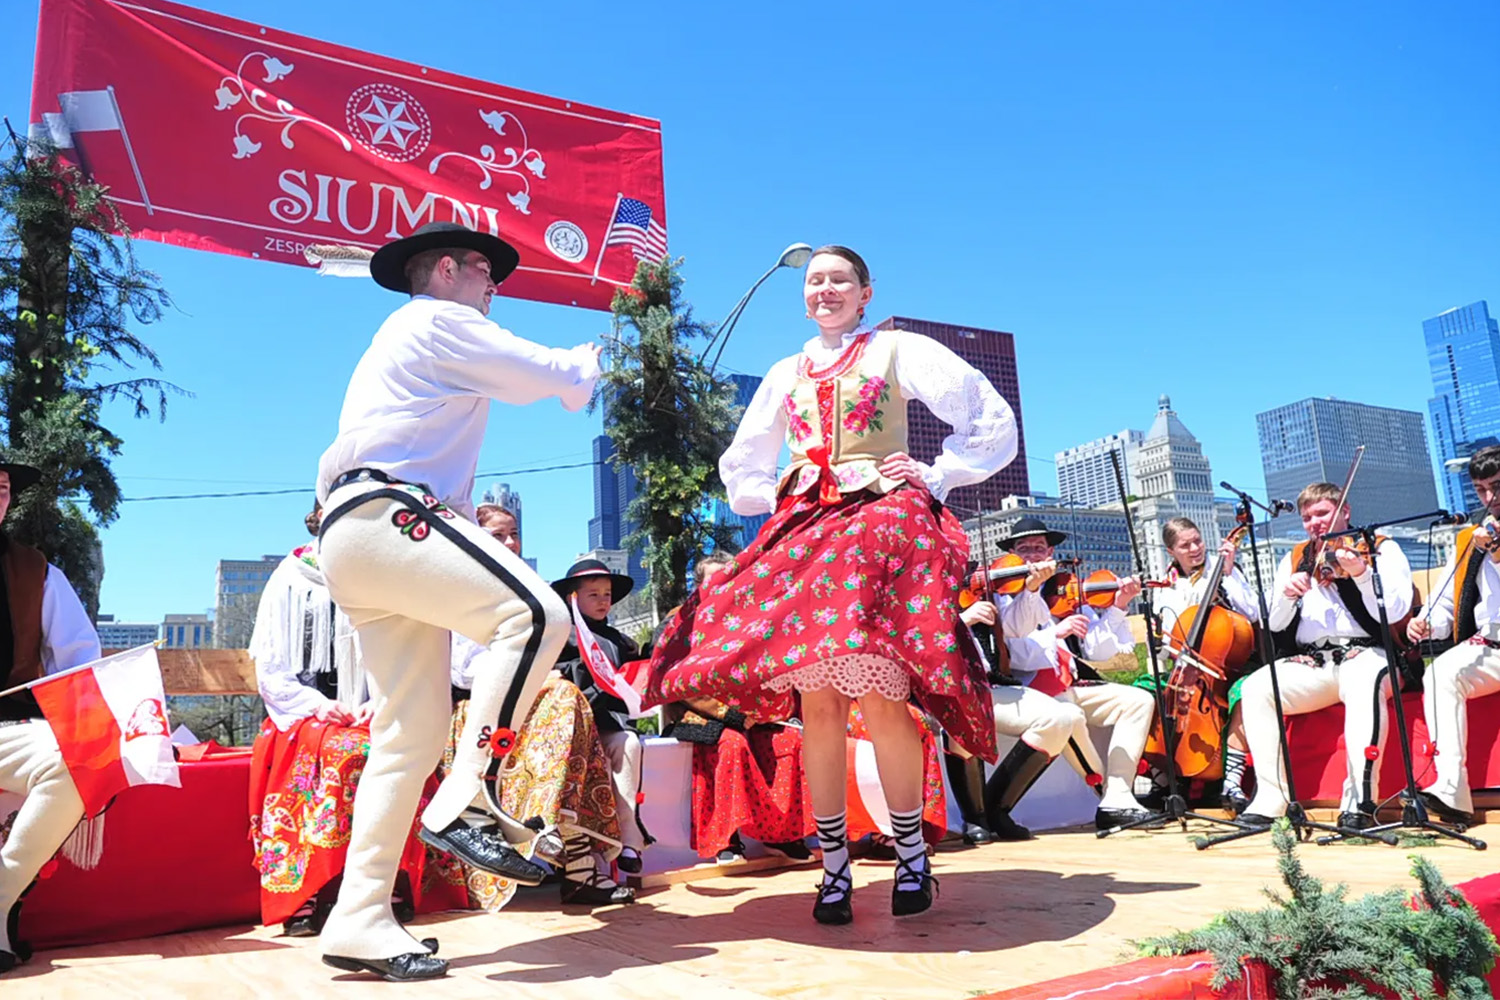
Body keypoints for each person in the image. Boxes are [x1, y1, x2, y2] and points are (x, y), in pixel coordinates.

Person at [646, 245, 1017, 924]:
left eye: (839, 279)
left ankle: (910, 855)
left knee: (880, 698)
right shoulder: (787, 371)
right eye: (815, 281)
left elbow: (986, 417)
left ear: (865, 292)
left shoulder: (897, 349)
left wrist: (937, 473)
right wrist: (774, 489)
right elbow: (744, 462)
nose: (825, 289)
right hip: (811, 527)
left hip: (876, 524)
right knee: (816, 701)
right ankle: (834, 866)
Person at [313, 221, 601, 981]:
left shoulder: (414, 338)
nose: (493, 287)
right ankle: (469, 796)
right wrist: (589, 362)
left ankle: (361, 917)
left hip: (358, 535)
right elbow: (553, 377)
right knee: (536, 613)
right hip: (387, 513)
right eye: (485, 272)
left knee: (411, 730)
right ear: (446, 269)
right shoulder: (437, 319)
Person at [247, 507, 467, 937]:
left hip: (373, 707)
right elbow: (271, 667)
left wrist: (382, 701)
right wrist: (315, 704)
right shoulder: (290, 577)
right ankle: (312, 888)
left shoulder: (386, 575)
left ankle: (385, 885)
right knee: (344, 752)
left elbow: (409, 654)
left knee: (395, 748)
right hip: (307, 710)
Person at [445, 506, 631, 908]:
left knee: (570, 703)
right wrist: (530, 676)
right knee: (565, 701)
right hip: (485, 709)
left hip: (536, 702)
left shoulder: (528, 588)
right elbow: (464, 670)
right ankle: (561, 843)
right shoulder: (461, 589)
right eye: (498, 536)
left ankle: (566, 844)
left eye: (514, 533)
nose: (510, 543)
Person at [1238, 482, 1412, 829]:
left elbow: (1394, 611)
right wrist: (1287, 595)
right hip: (1316, 661)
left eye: (1322, 513)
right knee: (1258, 687)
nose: (1314, 523)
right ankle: (1272, 796)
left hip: (1370, 653)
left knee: (1362, 680)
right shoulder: (1296, 557)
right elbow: (1275, 623)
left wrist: (1361, 574)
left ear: (1344, 511)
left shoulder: (1379, 548)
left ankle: (1360, 800)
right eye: (1307, 517)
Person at [0, 461, 101, 974]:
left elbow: (80, 657)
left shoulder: (35, 571)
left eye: (0, 490)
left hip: (8, 728)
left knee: (73, 760)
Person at [994, 518, 1157, 831]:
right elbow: (1015, 652)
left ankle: (1120, 793)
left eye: (1039, 548)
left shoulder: (1065, 589)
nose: (1032, 555)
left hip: (1068, 684)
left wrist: (1119, 605)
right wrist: (1056, 633)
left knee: (1139, 700)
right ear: (1012, 553)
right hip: (1031, 690)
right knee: (1067, 712)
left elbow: (1099, 651)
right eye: (1024, 549)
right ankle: (1109, 797)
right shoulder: (1004, 595)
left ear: (1051, 552)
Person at [664, 554, 813, 865]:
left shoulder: (749, 620)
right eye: (716, 580)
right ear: (699, 585)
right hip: (699, 716)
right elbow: (679, 682)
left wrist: (768, 709)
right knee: (732, 744)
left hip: (748, 716)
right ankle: (724, 839)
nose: (724, 586)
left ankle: (782, 834)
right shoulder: (680, 622)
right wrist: (730, 716)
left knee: (790, 742)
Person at [954, 554, 1093, 842]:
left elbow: (1018, 628)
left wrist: (1030, 587)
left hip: (993, 686)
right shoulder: (925, 587)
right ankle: (974, 816)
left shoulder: (989, 592)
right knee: (963, 711)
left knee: (1059, 718)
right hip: (952, 687)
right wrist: (962, 621)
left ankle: (997, 806)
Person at [1408, 444, 1500, 825]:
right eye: (1480, 490)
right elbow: (1447, 598)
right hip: (1492, 646)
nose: (1488, 498)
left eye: (1496, 486)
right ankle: (1451, 789)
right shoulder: (1471, 538)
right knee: (1439, 671)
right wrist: (1426, 619)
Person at [1144, 516, 1261, 813]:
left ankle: (1232, 780)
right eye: (1186, 545)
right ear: (1171, 550)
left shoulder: (1224, 571)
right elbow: (1167, 634)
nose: (1195, 548)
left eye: (1198, 540)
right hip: (1182, 669)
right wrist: (1172, 654)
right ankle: (1162, 779)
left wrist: (1229, 573)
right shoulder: (1164, 586)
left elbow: (1253, 612)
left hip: (1225, 667)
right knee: (1146, 692)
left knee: (1243, 694)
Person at [551, 559, 653, 875]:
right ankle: (574, 852)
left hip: (609, 724)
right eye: (593, 594)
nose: (603, 601)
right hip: (569, 729)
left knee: (630, 744)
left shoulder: (620, 641)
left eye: (607, 594)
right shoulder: (557, 636)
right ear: (573, 598)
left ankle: (629, 839)